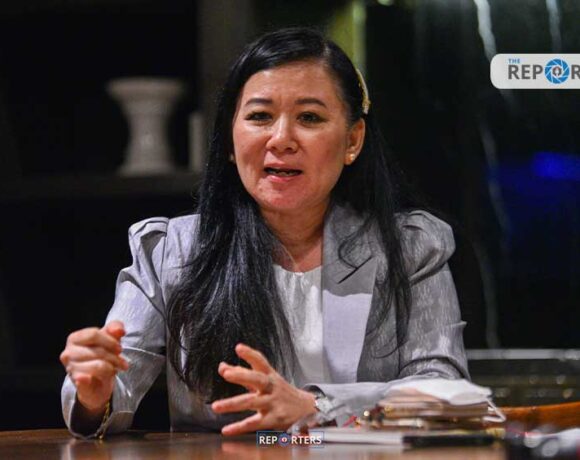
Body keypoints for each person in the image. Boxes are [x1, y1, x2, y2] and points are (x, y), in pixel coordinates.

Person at [60, 27, 469, 438]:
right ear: (229, 140)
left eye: (309, 117)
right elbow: (112, 389)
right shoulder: (171, 250)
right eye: (259, 117)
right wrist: (96, 392)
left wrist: (318, 407)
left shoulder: (411, 247)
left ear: (352, 140)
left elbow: (444, 390)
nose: (281, 139)